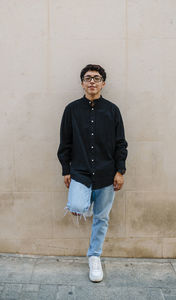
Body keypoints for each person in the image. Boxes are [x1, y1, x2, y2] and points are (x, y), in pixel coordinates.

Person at [57, 64, 128, 282]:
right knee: (77, 206)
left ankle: (94, 256)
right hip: (80, 171)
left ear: (103, 83)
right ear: (82, 83)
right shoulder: (71, 109)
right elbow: (65, 142)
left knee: (101, 217)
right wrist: (66, 170)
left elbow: (120, 143)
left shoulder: (112, 110)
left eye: (97, 78)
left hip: (107, 173)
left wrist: (120, 170)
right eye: (88, 78)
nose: (92, 82)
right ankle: (83, 201)